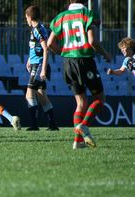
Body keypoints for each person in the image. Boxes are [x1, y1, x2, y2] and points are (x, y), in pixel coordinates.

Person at [47, 0, 112, 149]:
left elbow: (50, 43)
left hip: (68, 63)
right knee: (99, 98)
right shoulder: (87, 14)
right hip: (85, 61)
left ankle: (78, 141)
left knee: (81, 103)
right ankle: (84, 125)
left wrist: (64, 53)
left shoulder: (60, 17)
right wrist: (105, 53)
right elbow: (92, 41)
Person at [24, 5, 59, 131]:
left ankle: (34, 124)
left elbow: (46, 49)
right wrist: (29, 59)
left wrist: (43, 69)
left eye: (26, 18)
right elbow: (35, 47)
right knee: (41, 95)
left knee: (29, 95)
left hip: (39, 65)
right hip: (36, 63)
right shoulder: (36, 29)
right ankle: (52, 124)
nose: (26, 20)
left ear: (29, 17)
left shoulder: (38, 29)